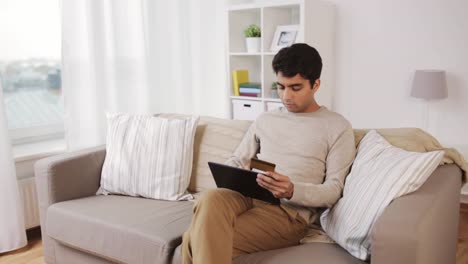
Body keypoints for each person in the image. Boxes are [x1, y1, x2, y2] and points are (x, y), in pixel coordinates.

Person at [181, 43, 356, 264]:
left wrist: (292, 190)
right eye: (281, 87)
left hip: (288, 214)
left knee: (192, 239)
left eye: (295, 87)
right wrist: (230, 172)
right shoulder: (266, 119)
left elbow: (334, 190)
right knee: (211, 197)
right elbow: (238, 158)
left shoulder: (337, 126)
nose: (286, 96)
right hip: (248, 196)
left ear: (316, 84)